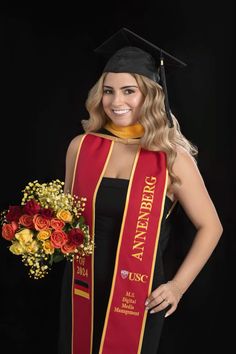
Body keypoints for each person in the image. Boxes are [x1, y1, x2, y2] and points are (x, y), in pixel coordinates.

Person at [58, 28, 223, 354]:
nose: (116, 102)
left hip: (137, 295)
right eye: (108, 91)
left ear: (151, 94)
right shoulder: (81, 147)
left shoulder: (171, 157)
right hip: (81, 287)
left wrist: (177, 286)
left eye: (129, 91)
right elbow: (67, 219)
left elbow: (211, 227)